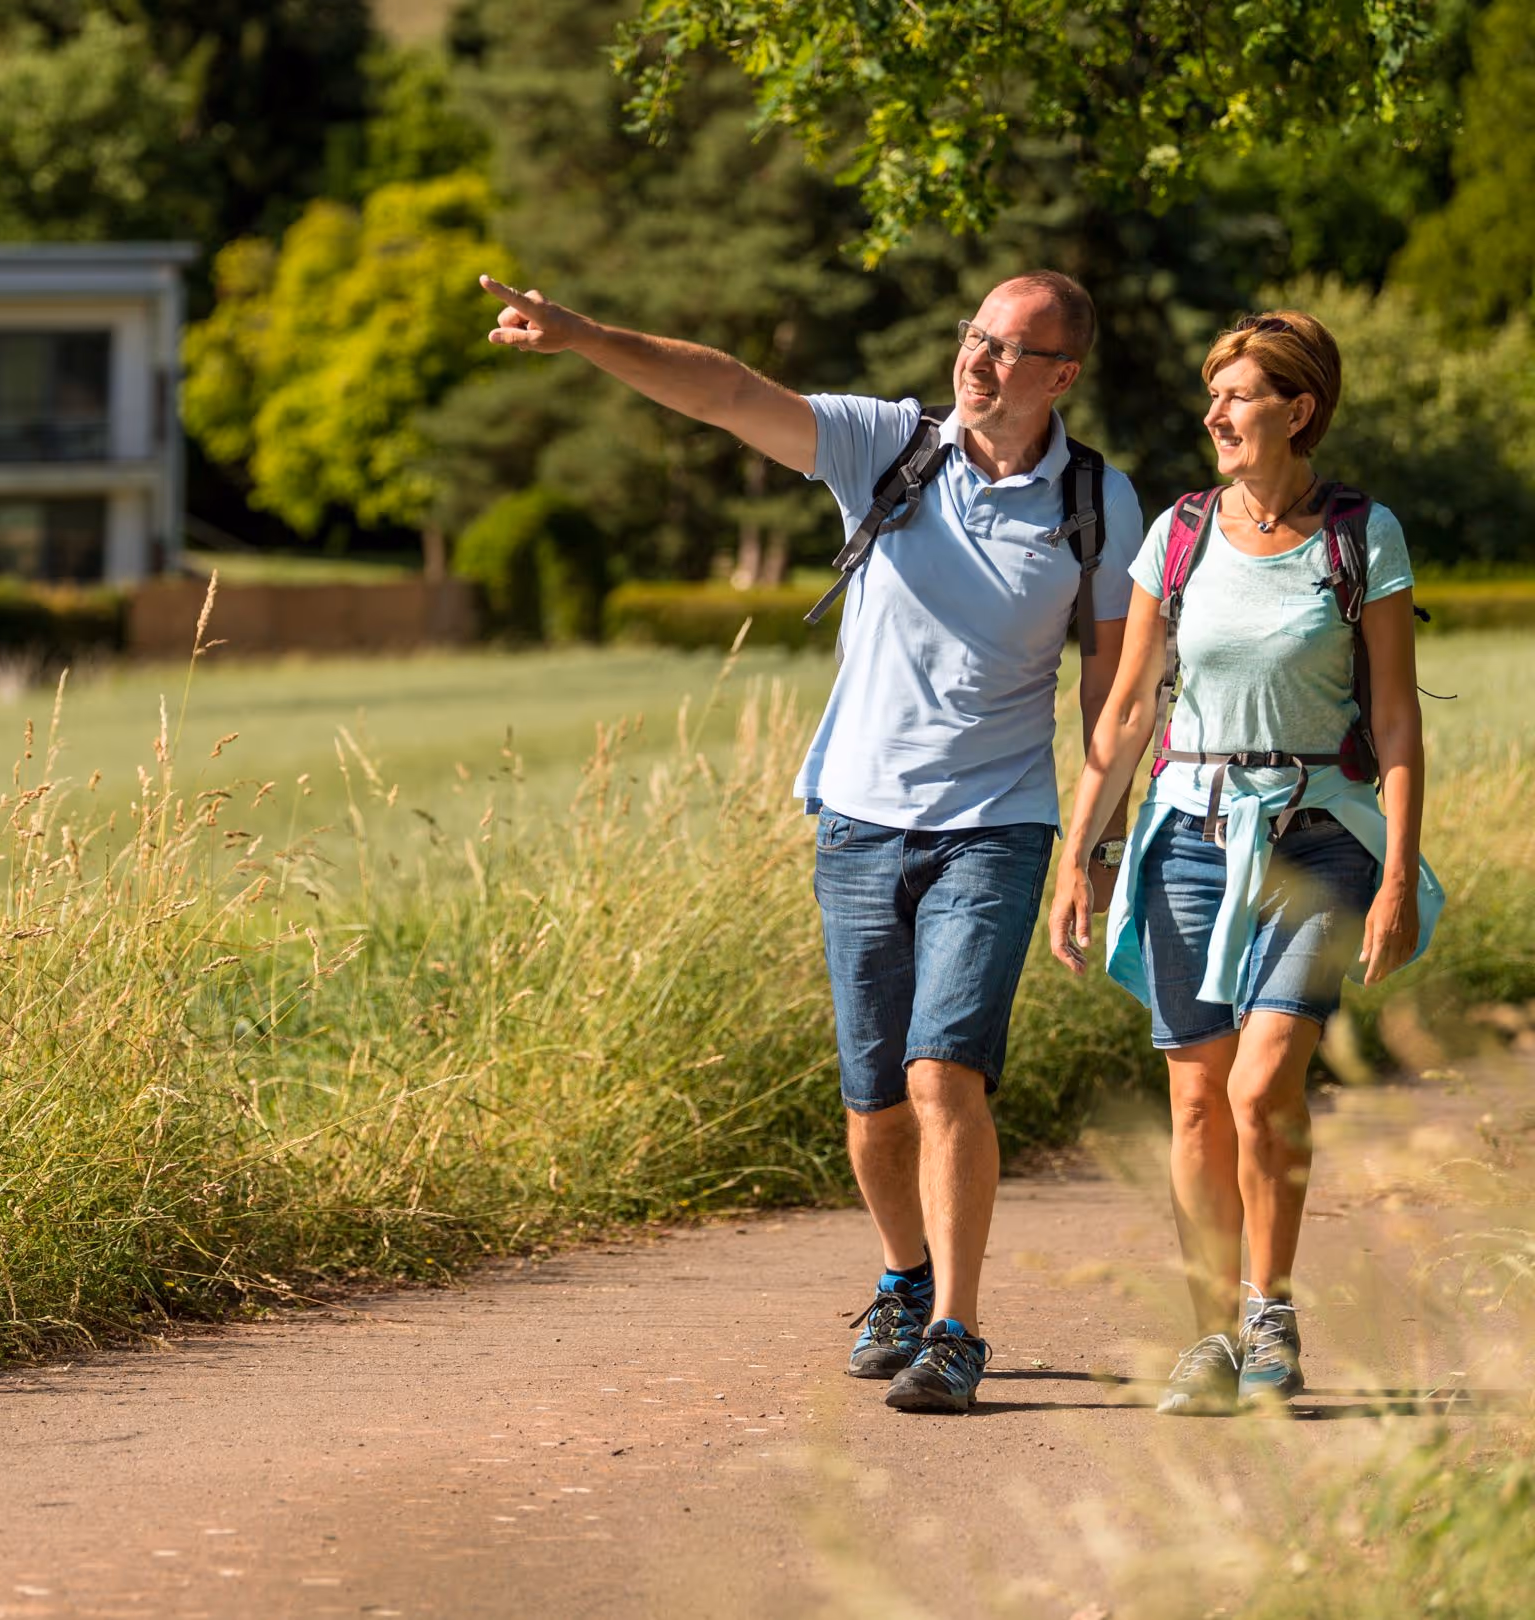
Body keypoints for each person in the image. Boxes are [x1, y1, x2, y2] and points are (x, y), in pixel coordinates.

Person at [482, 270, 1144, 1414]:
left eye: (1007, 351)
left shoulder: (1095, 500)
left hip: (995, 823)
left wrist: (1095, 845)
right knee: (873, 1099)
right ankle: (903, 1272)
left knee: (945, 1072)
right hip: (854, 816)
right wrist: (588, 336)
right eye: (972, 339)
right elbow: (729, 393)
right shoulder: (886, 447)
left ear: (1062, 376)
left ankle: (955, 1331)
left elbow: (1111, 686)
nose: (978, 364)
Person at [1049, 310, 1439, 1415]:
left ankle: (1270, 1310)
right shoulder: (1175, 533)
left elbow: (1400, 724)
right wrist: (1079, 854)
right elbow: (1124, 712)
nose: (1215, 413)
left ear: (1297, 410)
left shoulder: (1362, 536)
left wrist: (1400, 876)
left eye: (1238, 394)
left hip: (1320, 837)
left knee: (1263, 1084)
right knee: (1194, 1099)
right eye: (1212, 393)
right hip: (1186, 834)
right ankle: (1211, 1338)